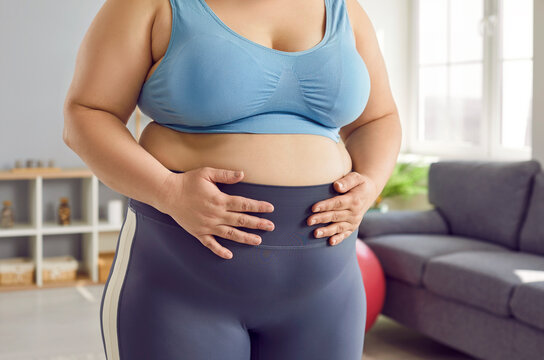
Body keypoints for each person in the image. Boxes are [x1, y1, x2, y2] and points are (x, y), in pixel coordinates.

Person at [63, 0, 401, 358]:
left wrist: (372, 183)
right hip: (179, 283)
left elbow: (378, 118)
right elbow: (86, 115)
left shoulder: (343, 9)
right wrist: (167, 190)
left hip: (327, 291)